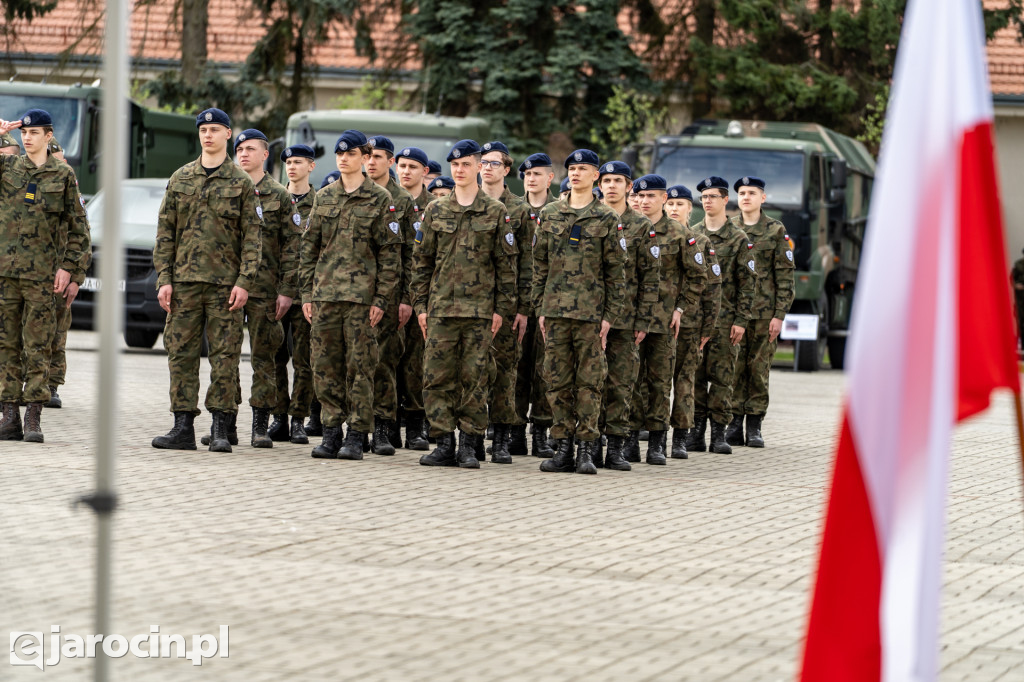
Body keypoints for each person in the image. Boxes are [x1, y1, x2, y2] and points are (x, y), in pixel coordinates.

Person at [151, 108, 261, 452]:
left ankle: (220, 428)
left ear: (228, 134)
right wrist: (164, 279)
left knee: (225, 357)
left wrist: (244, 281)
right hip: (183, 284)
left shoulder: (241, 182)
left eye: (215, 129)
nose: (208, 135)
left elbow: (252, 239)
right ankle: (182, 427)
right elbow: (165, 233)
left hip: (224, 287)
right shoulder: (180, 178)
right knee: (180, 355)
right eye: (203, 130)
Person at [412, 139, 518, 469]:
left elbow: (506, 267)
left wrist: (501, 310)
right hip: (441, 310)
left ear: (478, 167)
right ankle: (443, 442)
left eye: (466, 164)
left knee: (477, 378)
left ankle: (470, 444)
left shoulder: (495, 211)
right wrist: (421, 307)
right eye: (455, 165)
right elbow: (422, 262)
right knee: (436, 378)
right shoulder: (435, 210)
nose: (459, 170)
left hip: (480, 312)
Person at [300, 129, 403, 459]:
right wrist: (307, 295)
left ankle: (357, 435)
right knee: (325, 366)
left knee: (360, 368)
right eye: (339, 154)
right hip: (325, 297)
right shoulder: (324, 197)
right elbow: (309, 248)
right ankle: (331, 432)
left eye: (351, 154)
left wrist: (382, 300)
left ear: (364, 157)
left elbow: (390, 255)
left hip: (362, 300)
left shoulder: (380, 199)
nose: (343, 159)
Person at [533, 149, 627, 474]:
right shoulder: (550, 214)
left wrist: (609, 316)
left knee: (590, 383)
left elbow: (616, 273)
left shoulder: (607, 218)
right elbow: (539, 265)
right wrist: (540, 308)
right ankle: (562, 447)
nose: (575, 173)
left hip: (590, 315)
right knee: (556, 381)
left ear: (595, 176)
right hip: (555, 313)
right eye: (572, 168)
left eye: (583, 168)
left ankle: (586, 448)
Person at [0, 111, 90, 442]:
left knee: (37, 345)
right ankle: (9, 415)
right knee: (5, 344)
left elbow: (79, 228)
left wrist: (70, 268)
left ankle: (33, 416)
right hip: (6, 273)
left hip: (42, 277)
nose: (27, 138)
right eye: (24, 133)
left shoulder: (63, 175)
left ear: (48, 136)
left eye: (34, 133)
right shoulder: (8, 167)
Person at [228, 129, 299, 448]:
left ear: (265, 155)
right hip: (230, 287)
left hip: (266, 290)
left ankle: (260, 425)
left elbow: (292, 247)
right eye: (240, 149)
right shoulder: (229, 188)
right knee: (226, 357)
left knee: (265, 359)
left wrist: (286, 290)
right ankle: (226, 423)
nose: (243, 154)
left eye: (250, 149)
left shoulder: (280, 196)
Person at [628, 174, 706, 464]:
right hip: (630, 320)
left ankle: (657, 443)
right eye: (640, 196)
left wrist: (680, 308)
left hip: (663, 323)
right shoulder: (627, 228)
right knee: (630, 382)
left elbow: (698, 276)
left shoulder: (679, 233)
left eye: (651, 196)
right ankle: (630, 441)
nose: (644, 201)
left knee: (659, 384)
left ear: (663, 199)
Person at [597, 161, 659, 471]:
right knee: (589, 384)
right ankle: (589, 443)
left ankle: (616, 448)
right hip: (590, 318)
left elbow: (650, 278)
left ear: (628, 186)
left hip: (625, 320)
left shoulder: (641, 226)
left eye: (618, 181)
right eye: (606, 180)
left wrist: (644, 319)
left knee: (621, 386)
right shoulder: (588, 216)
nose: (611, 186)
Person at [725, 176, 794, 448]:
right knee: (734, 369)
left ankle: (754, 425)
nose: (746, 197)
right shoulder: (730, 228)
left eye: (752, 193)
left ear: (762, 198)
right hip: (735, 314)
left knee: (759, 369)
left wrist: (779, 315)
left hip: (765, 315)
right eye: (742, 193)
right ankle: (733, 424)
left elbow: (785, 277)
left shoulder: (775, 230)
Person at [689, 176, 755, 454]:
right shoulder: (692, 234)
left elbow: (748, 284)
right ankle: (695, 433)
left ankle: (719, 434)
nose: (707, 201)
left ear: (725, 200)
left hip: (726, 321)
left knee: (722, 379)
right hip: (696, 320)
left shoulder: (738, 238)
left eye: (713, 196)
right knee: (693, 378)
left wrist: (741, 320)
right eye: (704, 197)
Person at [479, 141, 532, 462]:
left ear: (507, 169)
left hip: (507, 306)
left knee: (504, 373)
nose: (488, 168)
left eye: (494, 163)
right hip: (470, 304)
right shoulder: (466, 202)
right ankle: (472, 437)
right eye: (483, 162)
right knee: (471, 372)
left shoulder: (519, 210)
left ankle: (501, 439)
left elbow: (528, 264)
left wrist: (523, 308)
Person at [364, 135, 413, 455]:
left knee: (384, 363)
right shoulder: (356, 192)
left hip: (390, 296)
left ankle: (383, 429)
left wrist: (406, 298)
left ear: (390, 162)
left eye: (378, 157)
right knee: (355, 365)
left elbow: (411, 255)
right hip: (355, 293)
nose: (371, 162)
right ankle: (357, 428)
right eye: (368, 156)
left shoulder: (402, 200)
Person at [666, 184, 721, 459]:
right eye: (670, 204)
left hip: (689, 324)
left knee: (684, 382)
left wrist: (707, 328)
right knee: (653, 384)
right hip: (657, 323)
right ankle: (650, 434)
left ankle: (680, 437)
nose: (674, 209)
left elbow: (711, 289)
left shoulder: (700, 242)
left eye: (680, 204)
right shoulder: (653, 236)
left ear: (690, 208)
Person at [269, 144, 318, 444]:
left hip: (306, 294)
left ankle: (299, 419)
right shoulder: (275, 199)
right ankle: (278, 417)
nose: (292, 167)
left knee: (305, 361)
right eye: (288, 162)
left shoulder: (321, 201)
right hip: (276, 292)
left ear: (311, 166)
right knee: (275, 357)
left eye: (298, 162)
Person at [517, 153, 557, 458]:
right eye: (527, 174)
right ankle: (514, 431)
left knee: (546, 370)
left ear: (550, 178)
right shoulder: (512, 210)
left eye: (537, 174)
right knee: (516, 368)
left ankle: (542, 431)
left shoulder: (559, 212)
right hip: (517, 302)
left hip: (549, 302)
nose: (531, 179)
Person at [394, 146, 433, 450]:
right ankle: (389, 425)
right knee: (387, 361)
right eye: (402, 165)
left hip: (422, 298)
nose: (406, 171)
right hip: (389, 295)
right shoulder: (387, 201)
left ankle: (417, 426)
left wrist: (415, 298)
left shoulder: (434, 207)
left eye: (413, 167)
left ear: (425, 172)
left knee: (417, 364)